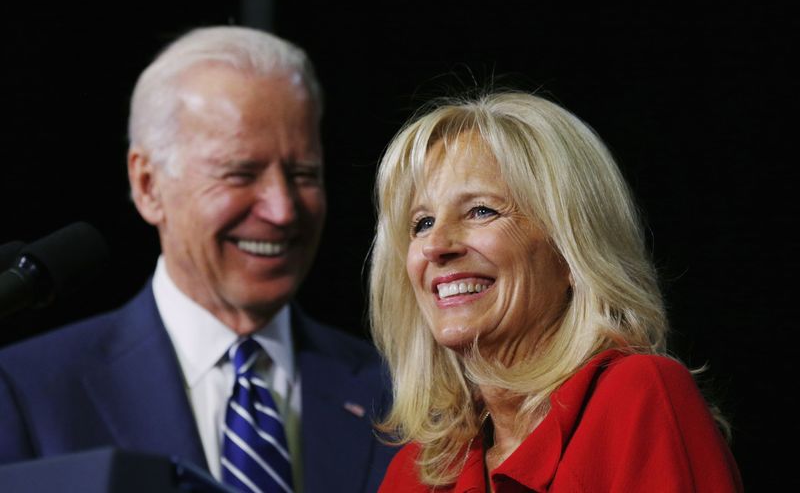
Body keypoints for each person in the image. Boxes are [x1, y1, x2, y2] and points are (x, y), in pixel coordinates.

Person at [0, 26, 396, 492]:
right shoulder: (25, 393)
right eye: (240, 173)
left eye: (303, 174)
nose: (283, 209)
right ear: (149, 186)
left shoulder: (398, 395)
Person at [369, 91, 743, 491]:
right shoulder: (418, 473)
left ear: (571, 250)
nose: (436, 245)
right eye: (421, 222)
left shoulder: (638, 398)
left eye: (481, 210)